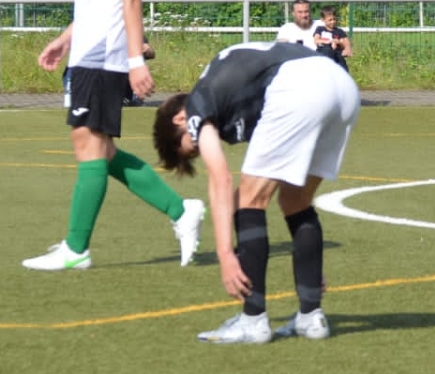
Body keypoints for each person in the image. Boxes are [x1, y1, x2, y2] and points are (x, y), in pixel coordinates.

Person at [26, 0, 204, 271]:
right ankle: (180, 211)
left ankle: (77, 249)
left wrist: (135, 60)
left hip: (103, 60)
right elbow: (98, 1)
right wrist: (66, 38)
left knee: (89, 145)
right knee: (98, 149)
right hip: (88, 56)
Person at [151, 40, 361, 344]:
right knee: (295, 200)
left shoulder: (197, 103)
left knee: (246, 200)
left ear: (179, 120)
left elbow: (221, 179)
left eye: (192, 146)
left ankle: (253, 321)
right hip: (342, 85)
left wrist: (225, 254)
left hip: (300, 84)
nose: (200, 148)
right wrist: (309, 264)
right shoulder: (231, 94)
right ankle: (310, 316)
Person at [312, 6, 352, 71]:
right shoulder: (320, 29)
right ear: (323, 20)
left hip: (337, 55)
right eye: (330, 20)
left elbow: (344, 45)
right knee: (327, 50)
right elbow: (316, 40)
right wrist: (330, 42)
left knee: (343, 69)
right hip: (323, 53)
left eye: (334, 19)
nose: (333, 22)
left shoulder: (339, 31)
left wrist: (338, 42)